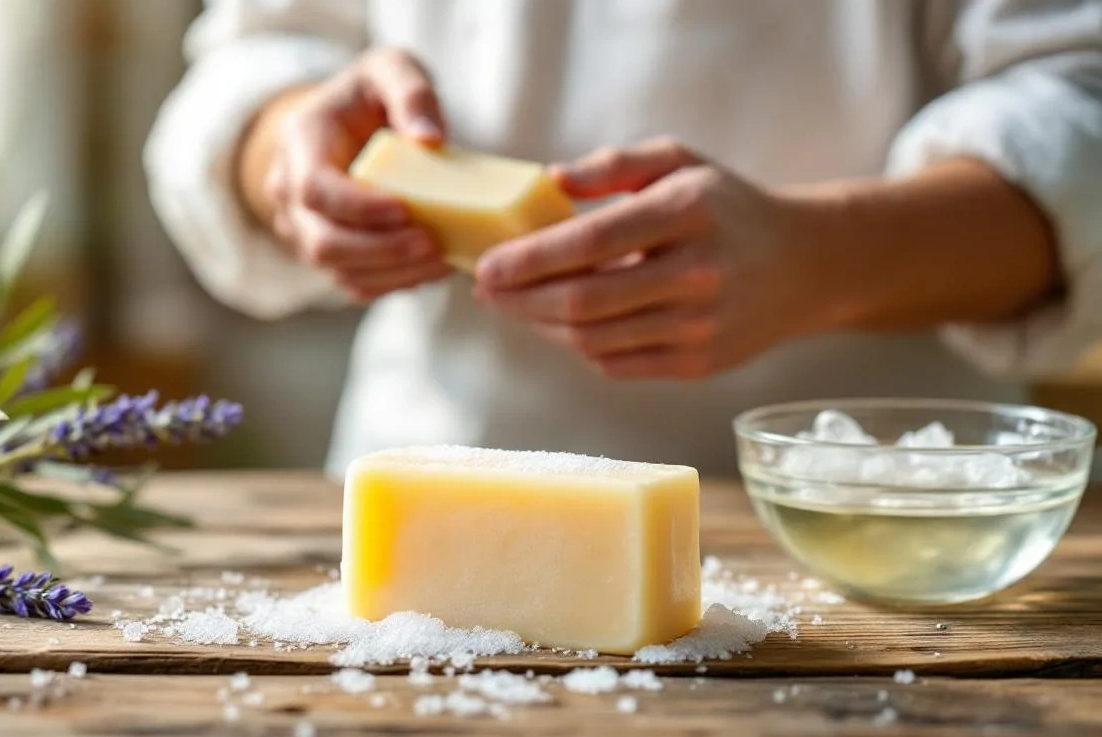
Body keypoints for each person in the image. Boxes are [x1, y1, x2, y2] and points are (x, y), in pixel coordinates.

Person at [144, 0, 1102, 478]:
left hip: (878, 510)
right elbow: (257, 54)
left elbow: (1079, 102)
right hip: (448, 492)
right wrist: (291, 157)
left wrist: (822, 263)